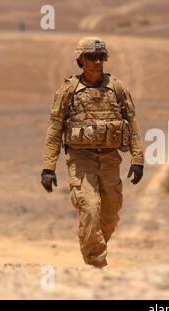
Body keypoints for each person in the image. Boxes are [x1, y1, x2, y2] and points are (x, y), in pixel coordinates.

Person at [41, 36, 144, 268]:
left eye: (100, 57)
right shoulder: (69, 90)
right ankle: (95, 264)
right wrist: (48, 167)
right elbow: (55, 129)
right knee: (90, 208)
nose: (97, 62)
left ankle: (94, 248)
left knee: (110, 213)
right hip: (81, 160)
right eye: (91, 57)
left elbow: (133, 123)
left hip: (110, 160)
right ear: (81, 59)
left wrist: (138, 159)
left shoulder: (117, 88)